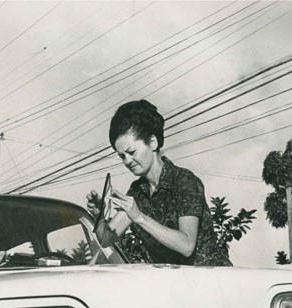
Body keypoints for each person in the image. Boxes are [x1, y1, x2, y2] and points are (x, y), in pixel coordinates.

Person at [86, 99, 231, 266]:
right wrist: (98, 216)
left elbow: (187, 245)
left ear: (152, 143)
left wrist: (140, 217)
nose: (127, 161)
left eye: (131, 152)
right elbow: (107, 239)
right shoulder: (137, 191)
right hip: (170, 279)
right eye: (122, 156)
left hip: (210, 277)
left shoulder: (184, 181)